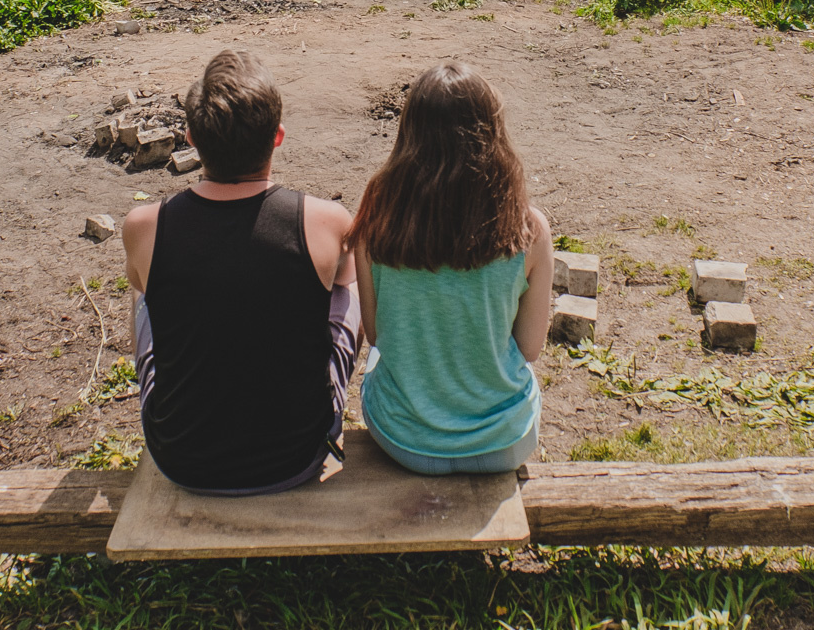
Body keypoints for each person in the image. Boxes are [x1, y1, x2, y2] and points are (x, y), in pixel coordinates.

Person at [121, 49, 360, 494]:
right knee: (349, 286)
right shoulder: (327, 220)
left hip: (181, 458)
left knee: (144, 293)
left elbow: (149, 297)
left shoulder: (145, 226)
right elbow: (341, 288)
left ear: (191, 138)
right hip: (297, 455)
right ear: (278, 137)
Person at [351, 62, 552, 475]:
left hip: (404, 441)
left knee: (378, 367)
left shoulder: (377, 215)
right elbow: (530, 348)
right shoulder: (528, 227)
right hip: (504, 442)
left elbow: (376, 334)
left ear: (409, 132)